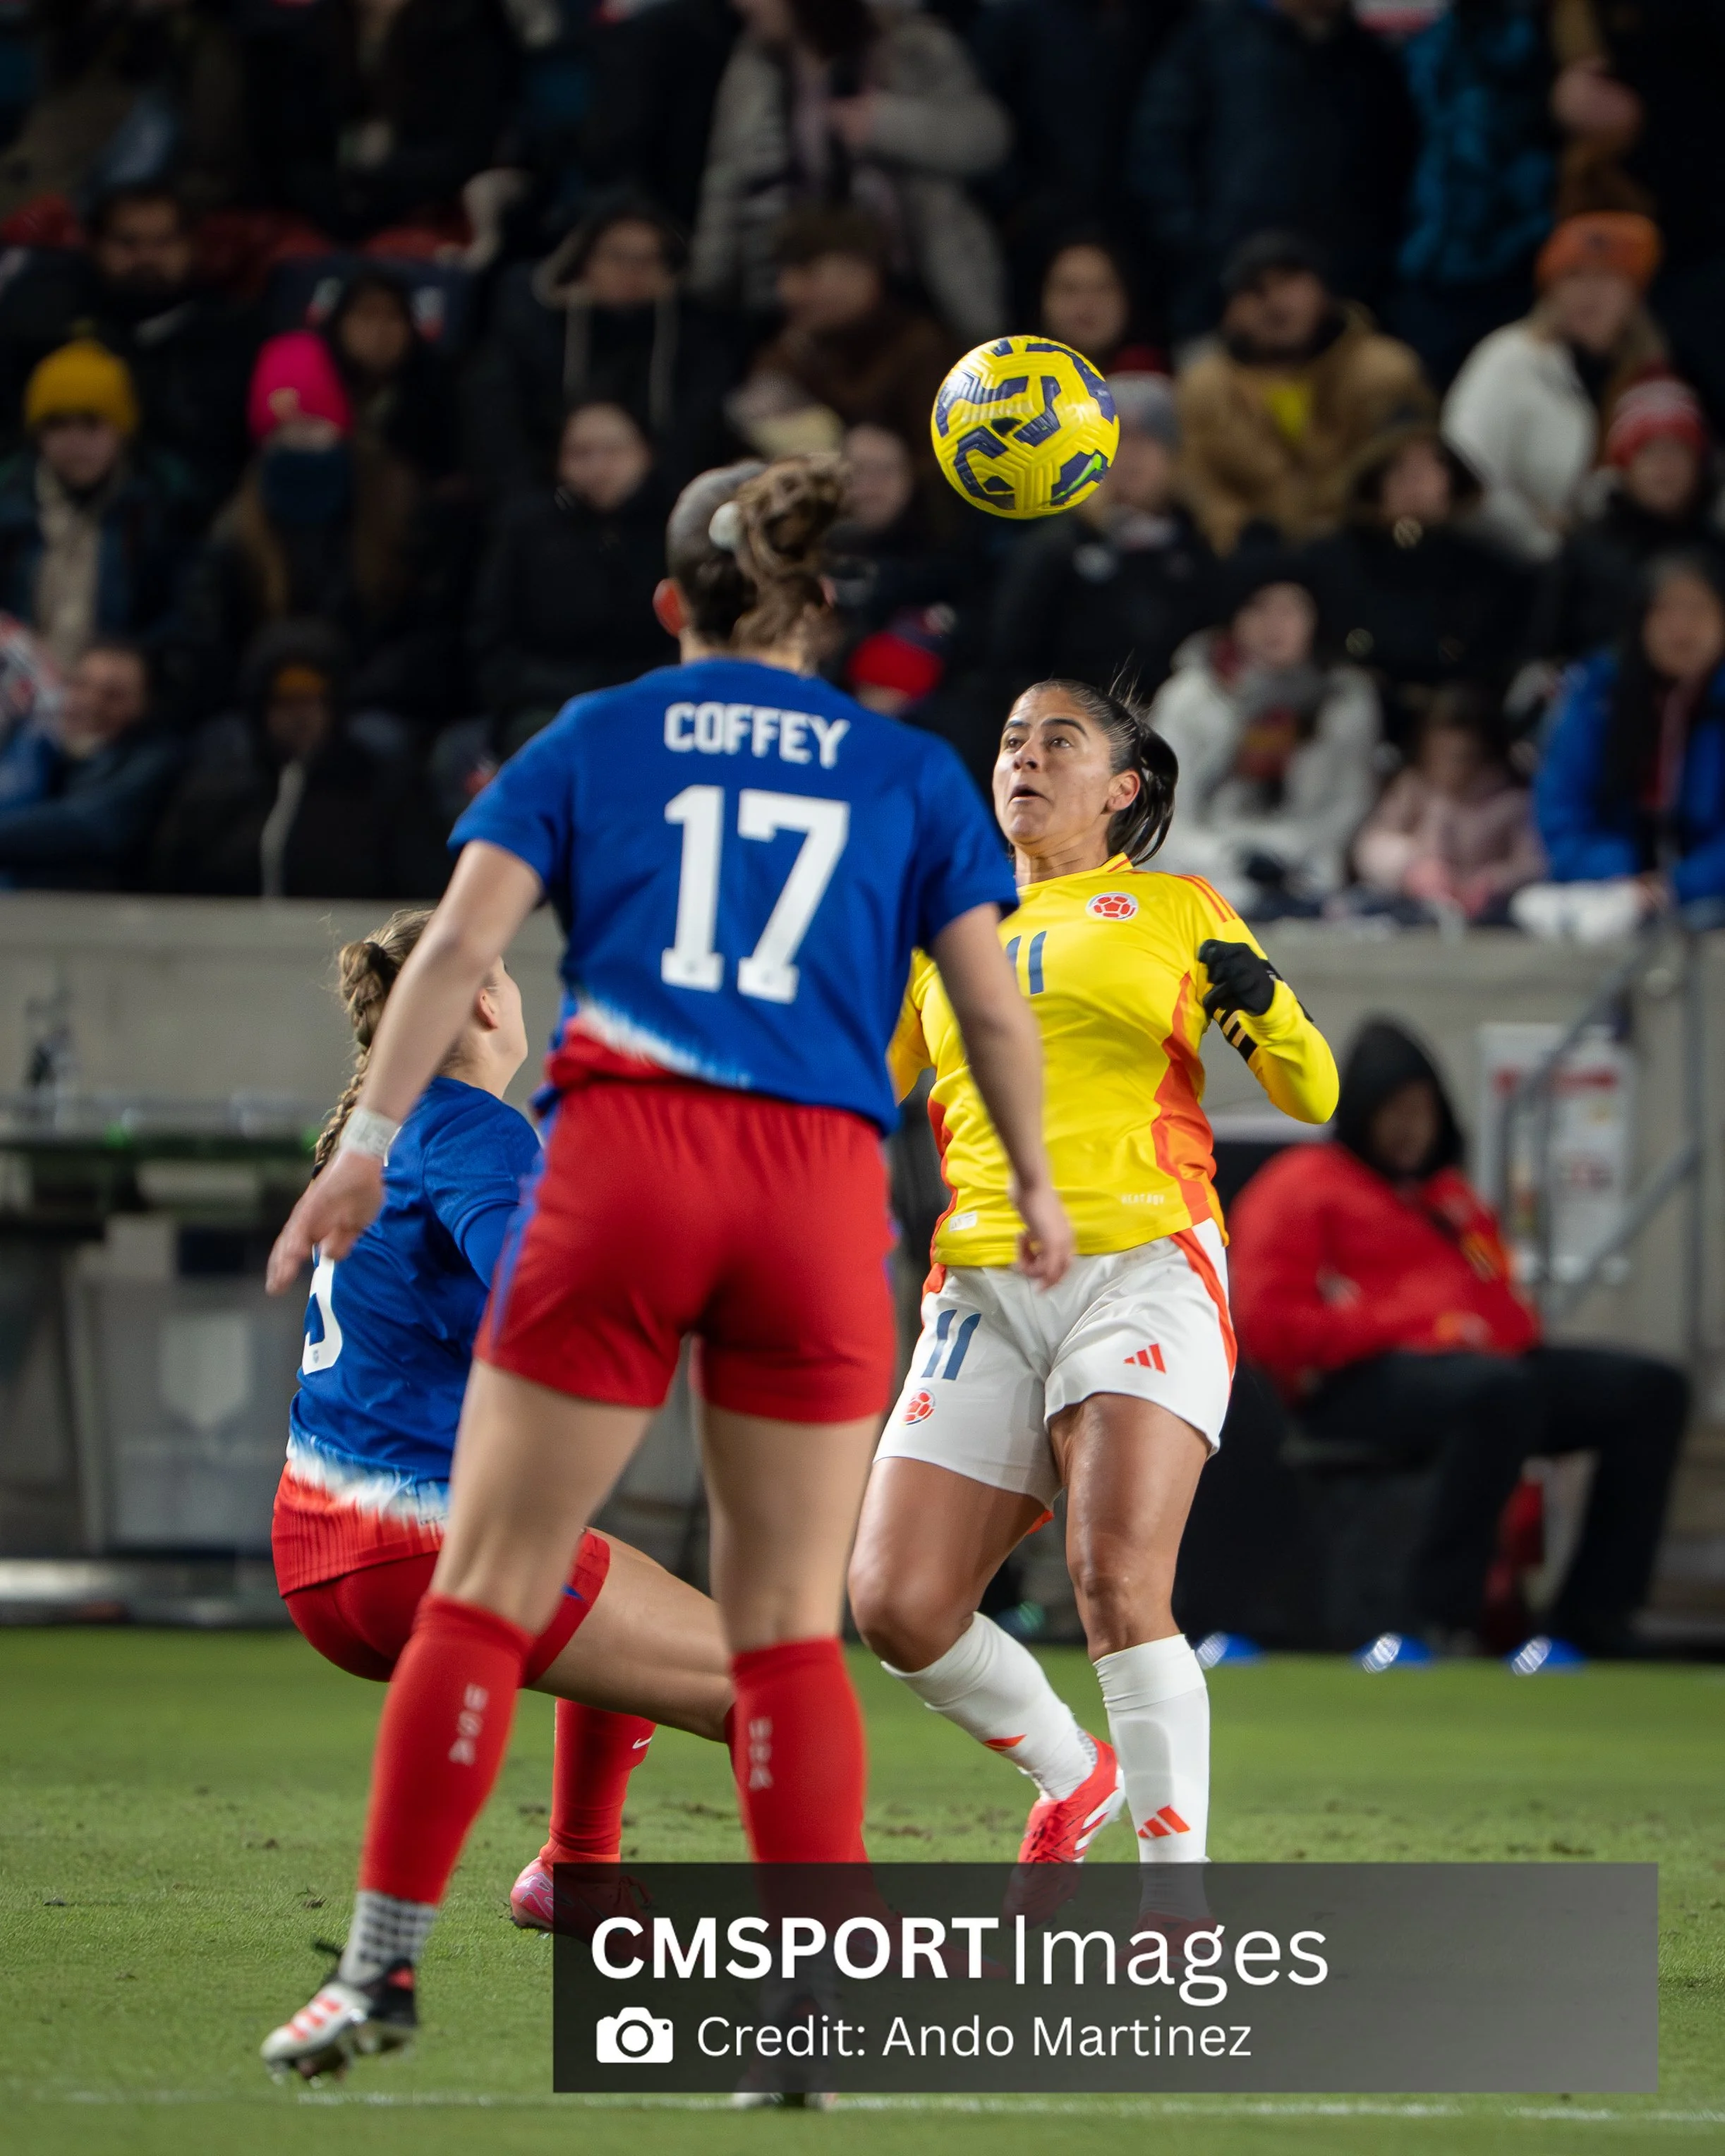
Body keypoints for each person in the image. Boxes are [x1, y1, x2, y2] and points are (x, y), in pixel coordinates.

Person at [257, 453, 1069, 2078]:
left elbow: (465, 948)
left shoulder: (594, 735)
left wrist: (361, 1143)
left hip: (627, 1167)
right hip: (813, 1190)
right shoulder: (908, 773)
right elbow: (986, 1009)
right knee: (780, 1635)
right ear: (825, 604)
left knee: (491, 1594)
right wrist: (1037, 1186)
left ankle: (377, 1972)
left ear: (664, 603)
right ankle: (807, 2009)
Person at [847, 676, 1338, 1894]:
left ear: (1121, 787)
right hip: (983, 1290)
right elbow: (855, 1091)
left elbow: (1314, 1095)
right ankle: (1076, 1772)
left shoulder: (1172, 908)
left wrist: (1261, 997)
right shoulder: (942, 927)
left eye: (1057, 740)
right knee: (897, 1605)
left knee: (1118, 1580)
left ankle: (1176, 1913)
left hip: (1143, 1265)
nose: (1024, 757)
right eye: (1010, 738)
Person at [273, 908, 732, 1943]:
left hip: (317, 1558)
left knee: (615, 1592)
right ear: (485, 999)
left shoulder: (372, 1136)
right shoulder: (475, 1125)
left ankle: (578, 1875)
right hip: (426, 1555)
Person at [1228, 1018, 1687, 1656]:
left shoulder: (1447, 1197)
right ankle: (1439, 1616)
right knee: (1497, 1395)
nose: (1409, 1128)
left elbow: (1510, 1315)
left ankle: (1595, 1618)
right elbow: (1270, 1329)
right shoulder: (1300, 1188)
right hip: (1352, 1386)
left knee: (1651, 1391)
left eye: (1422, 1111)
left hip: (1485, 1375)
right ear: (1362, 1111)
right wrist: (1418, 1330)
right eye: (1394, 1111)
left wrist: (1465, 1335)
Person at [172, 332, 468, 730]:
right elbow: (209, 640)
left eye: (312, 428)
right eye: (282, 435)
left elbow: (428, 632)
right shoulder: (235, 530)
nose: (300, 446)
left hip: (374, 705)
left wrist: (351, 694)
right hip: (263, 711)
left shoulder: (400, 510)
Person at [688, 0, 1010, 343]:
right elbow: (725, 179)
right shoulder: (753, 64)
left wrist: (885, 123)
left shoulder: (913, 44)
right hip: (784, 294)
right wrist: (706, 284)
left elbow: (988, 138)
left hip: (914, 290)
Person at [1130, 0, 1416, 343]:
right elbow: (1159, 152)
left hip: (1340, 310)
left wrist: (1355, 278)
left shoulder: (1370, 62)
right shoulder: (1213, 37)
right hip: (1218, 302)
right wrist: (1205, 258)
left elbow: (1391, 182)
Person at [0, 182, 259, 513]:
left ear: (192, 246)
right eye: (128, 243)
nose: (147, 258)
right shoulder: (49, 321)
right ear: (95, 245)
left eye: (164, 242)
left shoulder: (232, 333)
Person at [150, 619, 446, 900]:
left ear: (336, 705)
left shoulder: (383, 794)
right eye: (285, 700)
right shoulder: (215, 796)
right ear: (260, 707)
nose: (301, 715)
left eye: (314, 699)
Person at [1175, 233, 1432, 556]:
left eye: (1290, 282)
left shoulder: (1384, 373)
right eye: (1255, 290)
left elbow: (1413, 472)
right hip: (1247, 564)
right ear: (1230, 311)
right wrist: (1238, 536)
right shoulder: (1205, 389)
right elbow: (1196, 482)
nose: (1275, 302)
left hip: (1371, 556)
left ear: (1323, 291)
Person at [1149, 559, 1381, 917]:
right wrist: (1225, 857)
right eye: (1259, 609)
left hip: (1307, 868)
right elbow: (1165, 807)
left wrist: (1283, 852)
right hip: (1205, 865)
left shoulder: (1345, 701)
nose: (1275, 626)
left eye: (1291, 610)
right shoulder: (1189, 698)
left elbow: (1348, 804)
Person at [466, 193, 735, 500]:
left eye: (649, 259)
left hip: (660, 504)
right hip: (545, 502)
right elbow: (500, 426)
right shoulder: (535, 331)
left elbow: (700, 432)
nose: (632, 272)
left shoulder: (694, 338)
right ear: (584, 260)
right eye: (617, 257)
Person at [1442, 212, 1667, 562]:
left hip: (1617, 567)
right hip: (1504, 565)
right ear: (1551, 290)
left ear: (1634, 294)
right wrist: (1543, 538)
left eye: (1608, 277)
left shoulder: (1653, 379)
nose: (1589, 294)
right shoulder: (1509, 360)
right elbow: (1464, 473)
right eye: (1574, 277)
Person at [1299, 418, 1534, 747]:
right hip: (1346, 732)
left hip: (1461, 742)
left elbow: (1499, 670)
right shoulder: (1325, 561)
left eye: (1431, 464)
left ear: (1452, 480)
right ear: (1373, 480)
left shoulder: (1492, 572)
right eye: (1400, 467)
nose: (1417, 480)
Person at [1523, 552, 1725, 931]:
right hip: (1611, 888)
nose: (1681, 630)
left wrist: (1679, 884)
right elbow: (1560, 812)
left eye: (1698, 612)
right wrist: (1620, 874)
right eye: (1665, 612)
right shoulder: (1596, 696)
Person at [988, 373, 1213, 703]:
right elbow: (1009, 663)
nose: (1131, 456)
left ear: (1174, 456)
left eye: (1147, 440)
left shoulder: (1199, 547)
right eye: (1116, 440)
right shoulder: (1053, 549)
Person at [468, 401, 677, 754]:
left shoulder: (676, 529)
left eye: (613, 451)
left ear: (646, 454)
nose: (598, 466)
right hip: (547, 709)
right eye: (581, 453)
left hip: (657, 706)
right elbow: (492, 643)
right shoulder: (524, 530)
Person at [241, 0, 514, 249]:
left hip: (432, 213)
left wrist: (375, 189)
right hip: (328, 215)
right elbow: (289, 147)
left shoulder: (465, 26)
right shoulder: (316, 31)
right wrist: (335, 198)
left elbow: (467, 150)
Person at [0, 339, 199, 672]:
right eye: (57, 423)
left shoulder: (158, 509)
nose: (75, 440)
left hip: (120, 696)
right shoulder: (10, 510)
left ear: (121, 430)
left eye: (92, 423)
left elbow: (183, 618)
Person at [729, 209, 953, 486]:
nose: (787, 290)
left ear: (863, 272)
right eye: (783, 274)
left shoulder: (920, 349)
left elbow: (945, 468)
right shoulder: (792, 350)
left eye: (808, 272)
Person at [1530, 377, 1725, 665]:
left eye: (1678, 451)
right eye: (1649, 452)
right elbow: (1541, 651)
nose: (1664, 467)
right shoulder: (1583, 552)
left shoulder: (1717, 552)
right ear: (1623, 465)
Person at [0, 636, 182, 890]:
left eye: (113, 695)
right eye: (80, 685)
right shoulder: (40, 747)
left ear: (147, 704)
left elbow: (87, 826)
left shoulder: (153, 762)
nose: (90, 702)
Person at [1352, 685, 1544, 923]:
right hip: (1415, 910)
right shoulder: (1413, 788)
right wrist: (1410, 869)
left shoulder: (1511, 803)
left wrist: (1493, 882)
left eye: (1463, 756)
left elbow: (1533, 862)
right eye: (1440, 752)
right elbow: (1372, 845)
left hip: (1487, 915)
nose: (1449, 766)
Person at [325, 270, 461, 489]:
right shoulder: (318, 377)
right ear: (340, 324)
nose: (380, 331)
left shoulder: (436, 387)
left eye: (393, 317)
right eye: (366, 315)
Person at [1036, 237, 1163, 377]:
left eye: (1102, 289)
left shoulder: (1153, 380)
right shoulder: (1018, 381)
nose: (1086, 303)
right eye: (1070, 289)